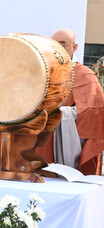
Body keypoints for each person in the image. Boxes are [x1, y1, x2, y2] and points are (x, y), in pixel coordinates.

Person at [34, 28, 104, 175]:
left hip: (66, 143)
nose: (58, 49)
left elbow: (93, 112)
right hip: (40, 138)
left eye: (63, 44)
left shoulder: (85, 75)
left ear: (75, 47)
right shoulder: (43, 72)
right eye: (53, 44)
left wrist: (61, 114)